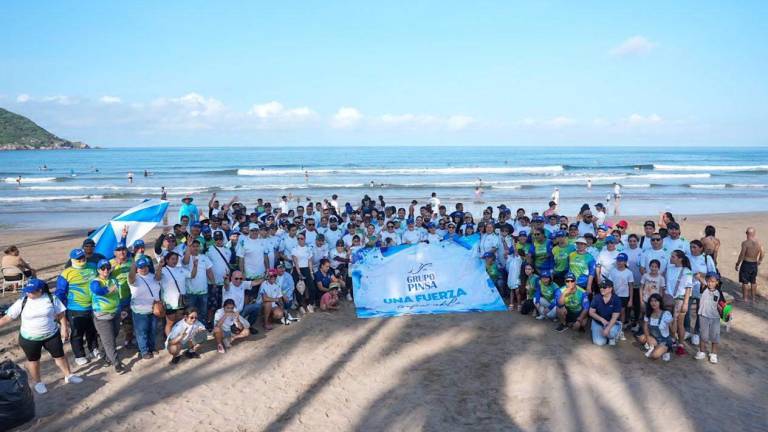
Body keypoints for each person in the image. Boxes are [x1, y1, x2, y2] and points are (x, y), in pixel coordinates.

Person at [0, 279, 84, 394]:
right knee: (34, 361)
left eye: (31, 291)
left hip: (51, 335)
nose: (28, 293)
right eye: (27, 291)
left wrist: (64, 327)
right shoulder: (23, 301)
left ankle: (68, 375)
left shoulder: (51, 298)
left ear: (40, 290)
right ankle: (38, 382)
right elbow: (7, 318)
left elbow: (60, 314)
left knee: (60, 356)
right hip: (29, 339)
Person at [56, 248, 99, 366]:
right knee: (77, 333)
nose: (82, 260)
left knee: (92, 330)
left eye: (83, 257)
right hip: (75, 309)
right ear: (72, 260)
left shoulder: (93, 267)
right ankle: (79, 355)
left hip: (94, 306)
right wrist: (59, 310)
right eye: (79, 258)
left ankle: (94, 349)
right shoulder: (66, 273)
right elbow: (60, 293)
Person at [89, 259, 127, 374]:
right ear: (98, 270)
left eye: (108, 267)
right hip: (102, 316)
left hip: (115, 313)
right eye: (103, 268)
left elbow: (117, 297)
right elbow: (97, 290)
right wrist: (108, 290)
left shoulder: (113, 280)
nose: (106, 270)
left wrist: (120, 311)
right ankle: (117, 363)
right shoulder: (95, 282)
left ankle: (106, 356)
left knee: (113, 336)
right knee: (109, 341)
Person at [128, 257, 160, 359]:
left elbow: (159, 279)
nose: (143, 269)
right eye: (140, 267)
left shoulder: (152, 276)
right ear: (137, 268)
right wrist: (133, 265)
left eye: (145, 266)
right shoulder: (134, 278)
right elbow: (130, 278)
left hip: (153, 309)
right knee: (142, 331)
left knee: (153, 330)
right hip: (140, 311)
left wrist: (160, 266)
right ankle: (144, 350)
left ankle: (152, 348)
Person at [156, 251, 191, 337]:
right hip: (170, 303)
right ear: (167, 260)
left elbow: (192, 275)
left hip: (181, 300)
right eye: (173, 259)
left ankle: (178, 339)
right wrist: (160, 266)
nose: (175, 261)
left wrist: (196, 266)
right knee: (170, 323)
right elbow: (157, 278)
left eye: (176, 259)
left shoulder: (180, 269)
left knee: (180, 321)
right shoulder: (163, 270)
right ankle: (169, 341)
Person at [666, 250, 693, 355]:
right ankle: (673, 339)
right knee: (669, 320)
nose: (671, 258)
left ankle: (680, 344)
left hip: (680, 299)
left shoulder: (687, 271)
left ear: (680, 259)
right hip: (669, 299)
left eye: (673, 257)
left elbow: (688, 288)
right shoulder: (669, 269)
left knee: (679, 323)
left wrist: (686, 303)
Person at [695, 272, 726, 364]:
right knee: (703, 335)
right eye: (708, 281)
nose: (710, 283)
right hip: (703, 315)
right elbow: (702, 281)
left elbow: (723, 305)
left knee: (715, 336)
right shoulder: (704, 288)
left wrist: (726, 313)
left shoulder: (719, 292)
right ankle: (701, 351)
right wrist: (699, 277)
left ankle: (713, 354)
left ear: (717, 282)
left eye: (713, 281)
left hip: (715, 317)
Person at [636, 293, 673, 361]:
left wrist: (675, 320)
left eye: (656, 301)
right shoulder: (648, 313)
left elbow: (672, 330)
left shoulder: (666, 314)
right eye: (651, 301)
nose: (653, 303)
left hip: (664, 341)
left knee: (654, 356)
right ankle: (654, 347)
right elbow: (645, 327)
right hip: (654, 338)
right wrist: (648, 338)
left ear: (660, 302)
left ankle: (666, 351)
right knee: (641, 338)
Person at [589, 279, 623, 346]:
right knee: (599, 343)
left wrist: (607, 328)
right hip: (598, 322)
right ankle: (601, 332)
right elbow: (591, 312)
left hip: (611, 322)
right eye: (601, 286)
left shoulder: (616, 299)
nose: (602, 289)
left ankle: (612, 336)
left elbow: (614, 317)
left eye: (604, 287)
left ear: (610, 289)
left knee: (611, 333)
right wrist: (601, 319)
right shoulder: (597, 297)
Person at [735, 227, 764, 303]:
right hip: (754, 264)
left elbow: (742, 254)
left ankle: (745, 299)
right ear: (754, 234)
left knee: (745, 282)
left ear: (747, 233)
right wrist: (760, 261)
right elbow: (763, 253)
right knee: (753, 281)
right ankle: (753, 299)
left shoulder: (745, 243)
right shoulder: (759, 243)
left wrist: (737, 263)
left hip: (746, 264)